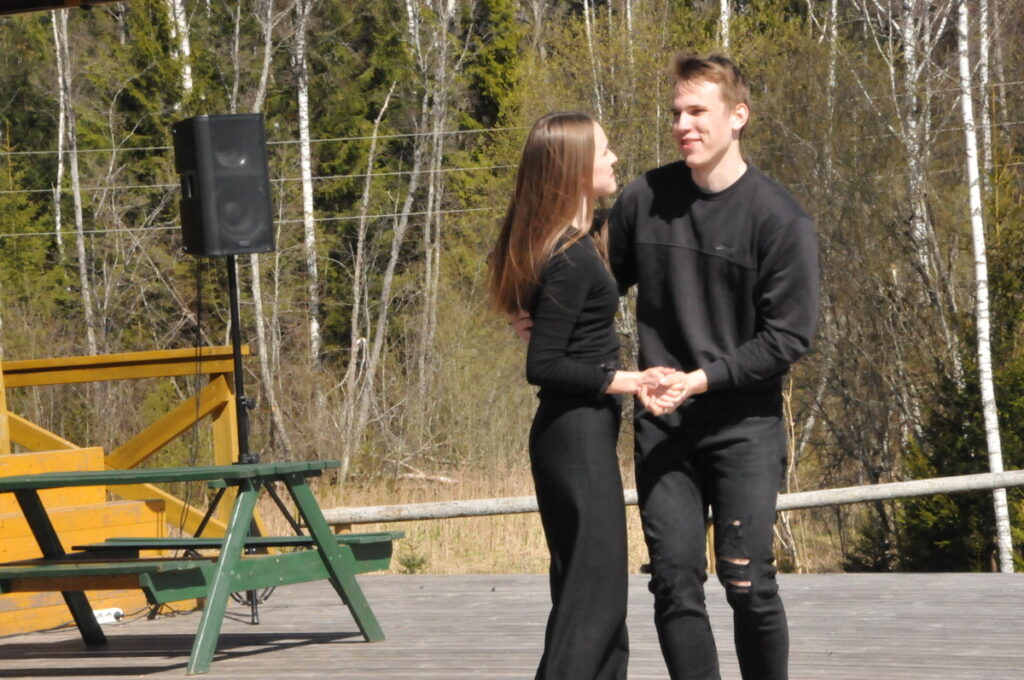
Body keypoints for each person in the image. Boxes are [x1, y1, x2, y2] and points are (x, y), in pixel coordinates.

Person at [609, 54, 820, 680]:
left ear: (738, 116)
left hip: (744, 427)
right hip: (663, 426)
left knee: (747, 582)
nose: (683, 125)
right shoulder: (644, 199)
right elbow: (593, 286)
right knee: (673, 582)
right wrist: (534, 311)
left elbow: (788, 337)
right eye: (676, 113)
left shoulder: (779, 219)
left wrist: (699, 380)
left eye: (697, 111)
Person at [488, 112, 671, 680]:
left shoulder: (576, 242)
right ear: (573, 169)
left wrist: (524, 311)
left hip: (577, 436)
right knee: (593, 604)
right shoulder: (569, 257)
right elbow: (543, 365)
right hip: (574, 438)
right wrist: (633, 381)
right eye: (604, 151)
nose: (615, 159)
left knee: (594, 597)